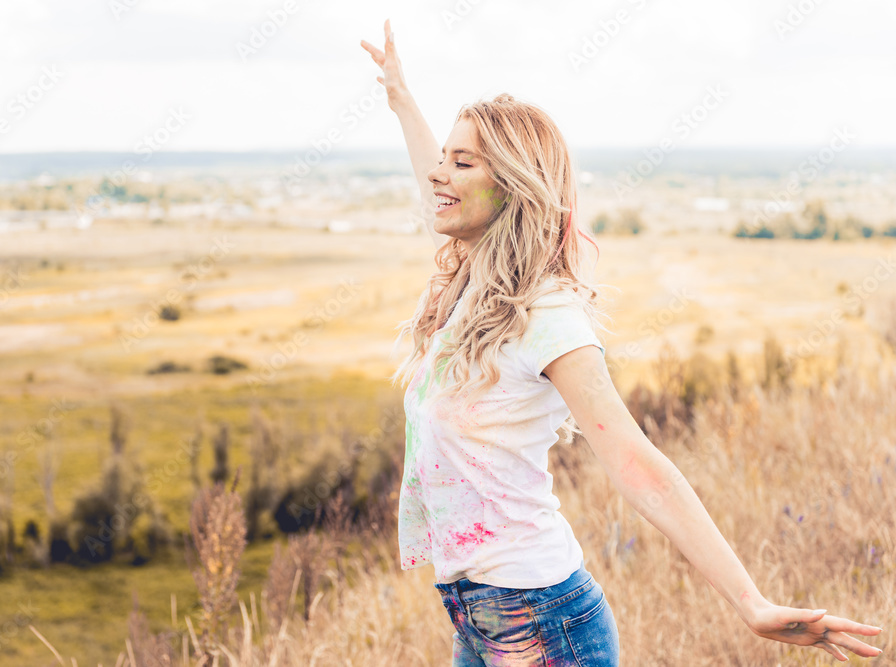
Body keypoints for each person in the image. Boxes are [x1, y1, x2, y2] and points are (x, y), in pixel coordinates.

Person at [361, 18, 885, 667]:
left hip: (542, 622)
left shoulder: (546, 316)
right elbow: (436, 188)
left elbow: (637, 462)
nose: (440, 175)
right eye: (442, 158)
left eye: (462, 162)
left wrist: (752, 603)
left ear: (512, 188)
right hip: (477, 617)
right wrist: (401, 99)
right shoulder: (474, 287)